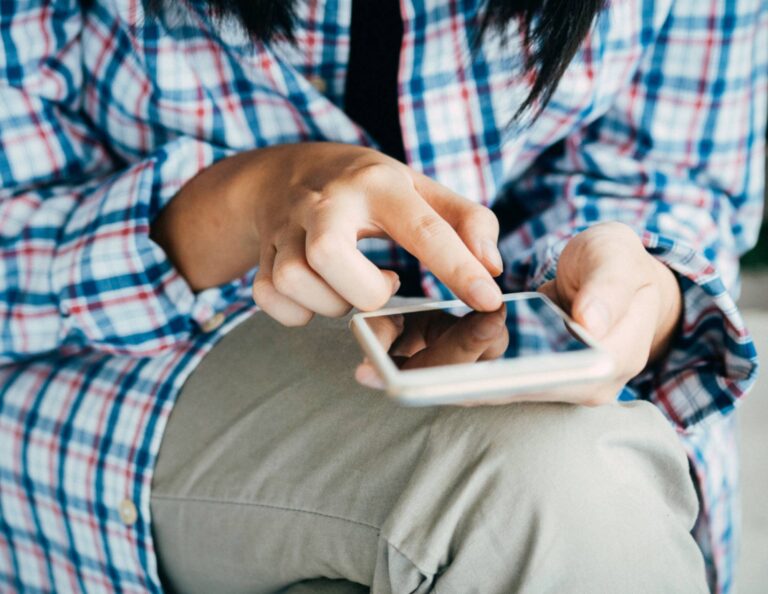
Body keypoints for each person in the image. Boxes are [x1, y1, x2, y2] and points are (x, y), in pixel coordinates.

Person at [0, 0, 765, 592]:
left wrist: (646, 288)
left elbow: (668, 174)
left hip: (479, 336)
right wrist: (241, 203)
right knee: (547, 486)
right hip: (115, 364)